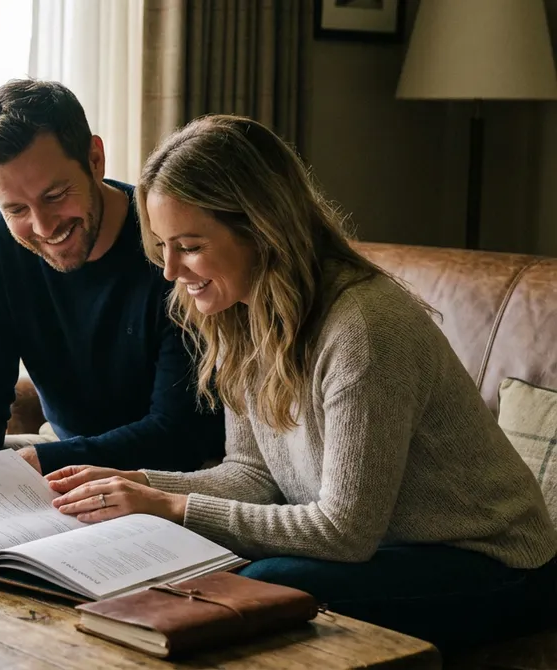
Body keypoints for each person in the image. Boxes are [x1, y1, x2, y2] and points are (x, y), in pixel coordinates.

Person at [45, 113, 557, 650]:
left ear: (261, 229)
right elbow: (251, 475)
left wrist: (172, 507)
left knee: (267, 583)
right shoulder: (239, 313)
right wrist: (141, 486)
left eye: (190, 246)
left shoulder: (363, 326)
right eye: (163, 246)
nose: (170, 271)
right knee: (238, 574)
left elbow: (344, 532)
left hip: (498, 564)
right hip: (392, 549)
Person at [0, 78, 225, 477]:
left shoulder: (169, 246)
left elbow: (178, 433)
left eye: (54, 196)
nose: (42, 226)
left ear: (95, 159)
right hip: (63, 446)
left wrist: (48, 463)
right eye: (16, 209)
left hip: (171, 465)